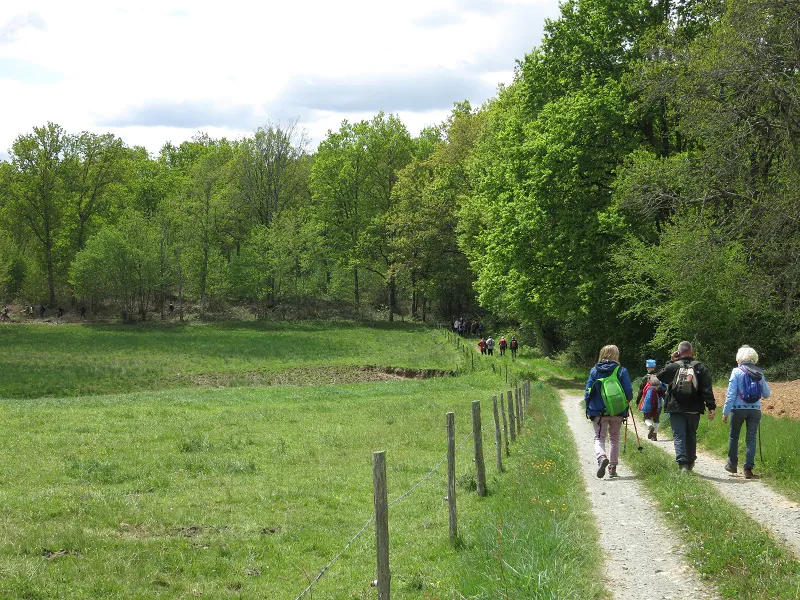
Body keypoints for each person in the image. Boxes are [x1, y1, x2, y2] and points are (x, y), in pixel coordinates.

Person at [649, 341, 716, 473]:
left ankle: (682, 464)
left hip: (676, 407)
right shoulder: (699, 367)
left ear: (678, 352)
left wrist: (670, 361)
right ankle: (690, 462)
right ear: (692, 351)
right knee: (691, 435)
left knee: (679, 435)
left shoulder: (673, 367)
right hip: (694, 407)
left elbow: (660, 377)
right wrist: (711, 406)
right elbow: (706, 389)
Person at [584, 344, 633, 479]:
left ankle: (601, 457)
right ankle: (612, 467)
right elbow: (628, 392)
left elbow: (588, 391)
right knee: (614, 438)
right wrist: (626, 403)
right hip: (617, 411)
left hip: (598, 412)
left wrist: (588, 406)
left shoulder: (594, 371)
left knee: (599, 437)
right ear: (616, 355)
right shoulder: (621, 370)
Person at [722, 345, 771, 479]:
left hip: (738, 410)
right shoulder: (759, 373)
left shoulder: (736, 371)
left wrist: (725, 412)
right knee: (751, 438)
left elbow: (731, 394)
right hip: (755, 410)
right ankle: (748, 469)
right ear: (753, 358)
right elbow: (766, 394)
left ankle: (732, 465)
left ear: (739, 358)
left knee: (734, 436)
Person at [636, 359, 666, 440]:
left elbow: (640, 391)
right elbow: (663, 389)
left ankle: (650, 426)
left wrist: (637, 402)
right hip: (658, 401)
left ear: (647, 367)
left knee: (646, 417)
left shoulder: (645, 378)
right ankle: (655, 435)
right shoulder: (659, 376)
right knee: (656, 418)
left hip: (647, 401)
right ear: (654, 367)